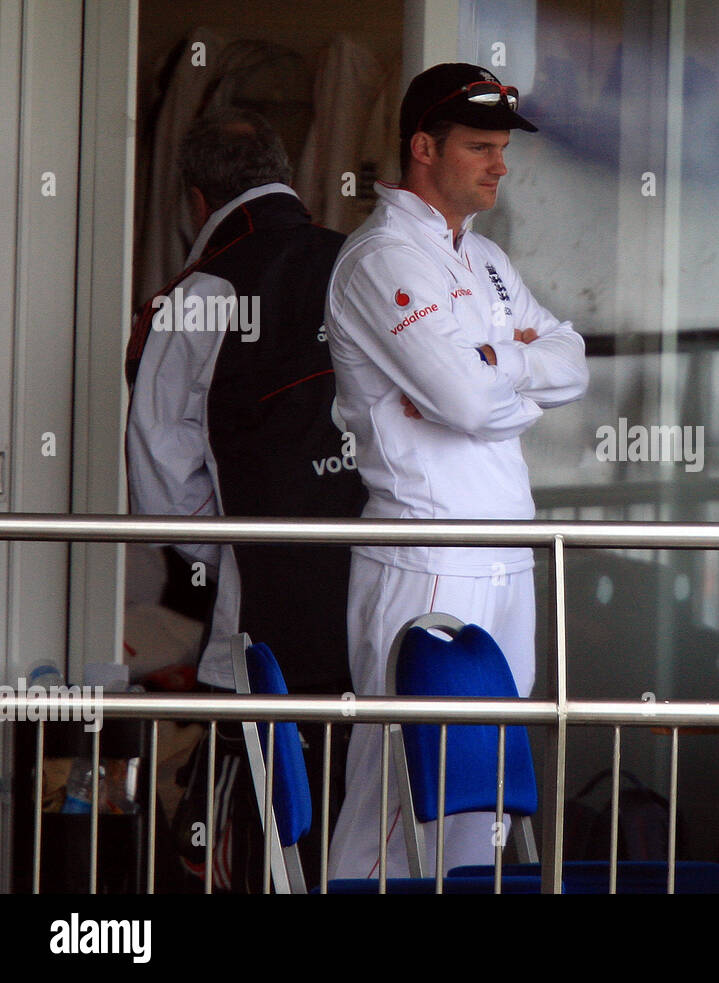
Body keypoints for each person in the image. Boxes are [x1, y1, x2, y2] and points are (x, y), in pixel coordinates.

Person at [324, 63, 589, 879]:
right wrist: (514, 372)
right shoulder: (380, 256)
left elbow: (574, 362)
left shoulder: (488, 261)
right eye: (480, 146)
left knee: (488, 812)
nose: (500, 163)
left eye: (503, 146)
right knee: (395, 802)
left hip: (504, 553)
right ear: (424, 148)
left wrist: (493, 362)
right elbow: (470, 403)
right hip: (428, 555)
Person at [126, 107, 364, 890]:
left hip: (262, 640)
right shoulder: (365, 264)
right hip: (384, 613)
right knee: (370, 842)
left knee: (262, 853)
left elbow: (165, 491)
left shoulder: (197, 298)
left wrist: (239, 550)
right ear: (285, 175)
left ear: (197, 201)